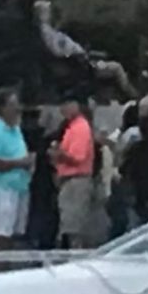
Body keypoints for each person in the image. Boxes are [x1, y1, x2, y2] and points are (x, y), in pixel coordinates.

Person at [0, 90, 35, 249]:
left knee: (13, 234)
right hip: (2, 189)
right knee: (1, 233)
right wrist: (20, 163)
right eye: (12, 105)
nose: (17, 109)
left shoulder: (16, 130)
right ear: (2, 108)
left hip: (18, 188)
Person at [50, 96, 105, 250]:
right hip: (68, 181)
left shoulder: (81, 127)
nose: (62, 110)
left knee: (74, 227)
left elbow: (78, 158)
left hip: (76, 181)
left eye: (66, 105)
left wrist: (59, 154)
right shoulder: (71, 127)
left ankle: (75, 256)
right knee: (68, 224)